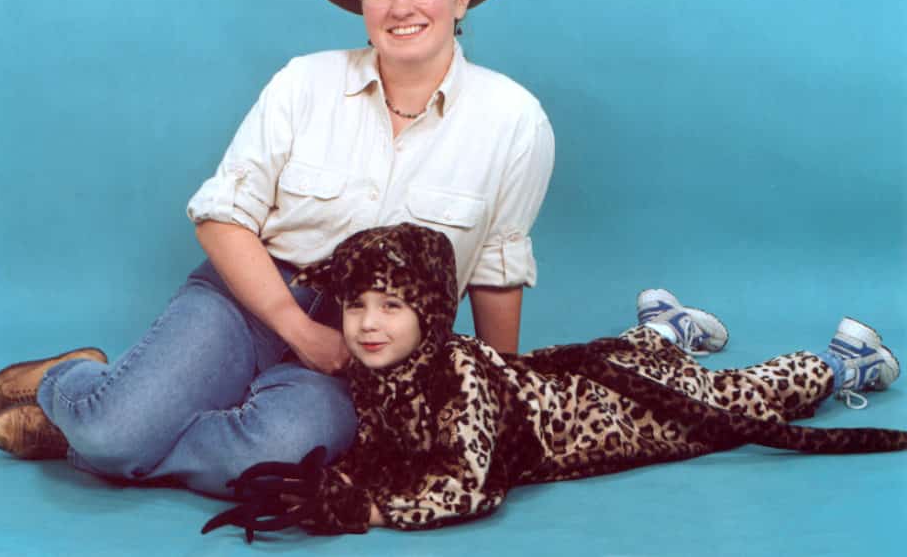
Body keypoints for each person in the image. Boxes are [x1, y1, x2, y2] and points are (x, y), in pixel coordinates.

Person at [0, 0, 554, 497]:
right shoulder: (304, 83)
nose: (401, 6)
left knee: (280, 455)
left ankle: (85, 432)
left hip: (374, 340)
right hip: (251, 295)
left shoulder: (514, 120)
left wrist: (493, 403)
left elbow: (495, 269)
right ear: (361, 4)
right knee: (117, 432)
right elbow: (222, 218)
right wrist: (297, 330)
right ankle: (71, 385)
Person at [200, 223, 905, 540]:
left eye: (391, 306)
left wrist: (373, 511)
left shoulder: (459, 379)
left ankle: (844, 362)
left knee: (715, 401)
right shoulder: (377, 371)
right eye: (356, 305)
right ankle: (664, 333)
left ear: (433, 314)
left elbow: (471, 485)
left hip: (593, 425)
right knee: (591, 356)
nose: (367, 324)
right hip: (547, 382)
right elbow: (388, 444)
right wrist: (347, 478)